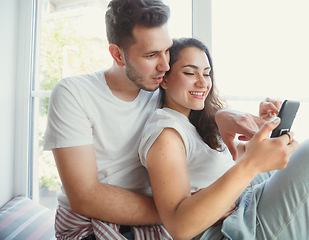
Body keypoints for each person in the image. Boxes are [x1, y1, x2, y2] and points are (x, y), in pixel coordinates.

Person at [43, 0, 276, 239]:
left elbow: (195, 113)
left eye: (166, 49)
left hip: (169, 210)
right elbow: (85, 197)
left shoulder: (159, 85)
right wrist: (187, 210)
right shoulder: (74, 93)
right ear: (117, 54)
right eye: (152, 54)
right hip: (95, 225)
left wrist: (222, 116)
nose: (165, 65)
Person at [138, 37, 309, 240]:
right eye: (190, 73)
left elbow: (240, 155)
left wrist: (266, 127)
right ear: (164, 80)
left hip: (244, 208)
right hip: (232, 231)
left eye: (206, 74)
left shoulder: (195, 125)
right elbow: (180, 227)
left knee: (307, 159)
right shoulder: (166, 133)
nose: (203, 83)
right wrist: (251, 165)